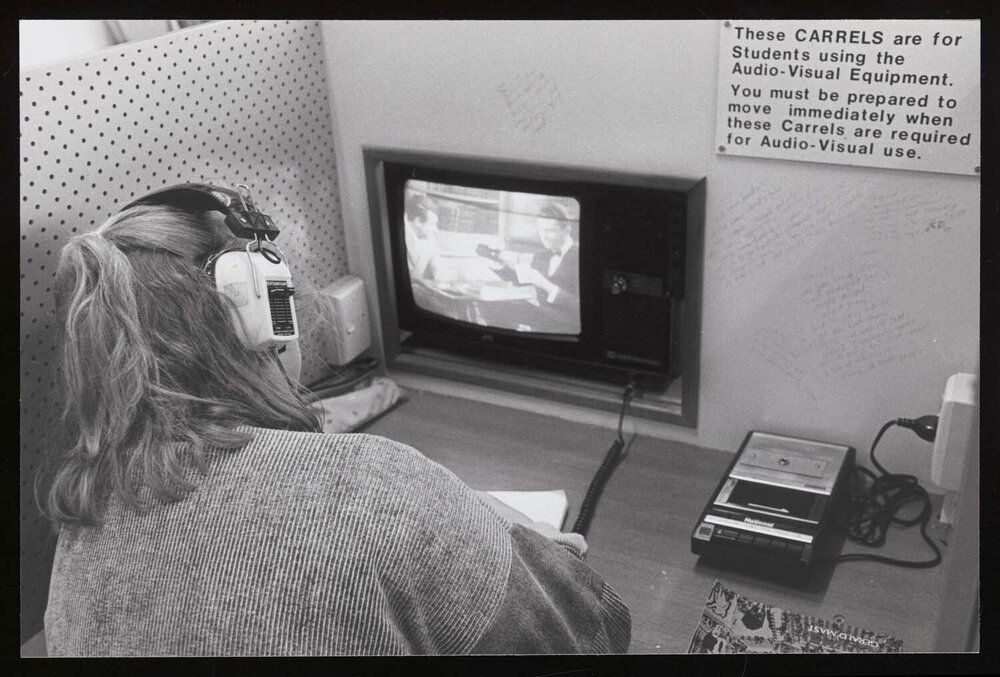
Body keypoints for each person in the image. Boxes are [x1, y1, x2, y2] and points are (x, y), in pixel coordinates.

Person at [40, 199, 631, 656]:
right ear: (259, 314)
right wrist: (515, 539)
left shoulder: (79, 537)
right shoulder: (380, 487)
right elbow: (592, 636)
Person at [493, 202, 581, 333]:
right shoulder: (540, 256)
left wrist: (545, 284)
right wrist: (502, 266)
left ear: (567, 230)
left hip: (566, 329)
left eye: (550, 230)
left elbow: (581, 306)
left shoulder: (581, 257)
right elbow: (527, 283)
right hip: (538, 324)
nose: (543, 236)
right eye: (540, 230)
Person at [403, 192, 442, 284]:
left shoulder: (430, 239)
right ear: (418, 222)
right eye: (432, 224)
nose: (435, 229)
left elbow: (437, 271)